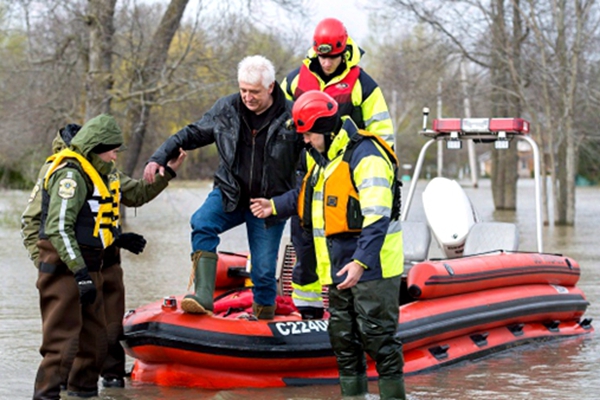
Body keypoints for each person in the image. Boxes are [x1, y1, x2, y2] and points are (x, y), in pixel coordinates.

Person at [250, 91, 406, 399]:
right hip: (337, 267)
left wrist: (361, 261)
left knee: (378, 340)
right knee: (343, 340)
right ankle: (354, 395)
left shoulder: (367, 156)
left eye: (309, 134)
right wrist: (275, 206)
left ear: (327, 129)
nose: (305, 141)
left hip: (372, 268)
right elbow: (308, 196)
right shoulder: (324, 159)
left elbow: (378, 217)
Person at [30, 114, 185, 399]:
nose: (116, 156)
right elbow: (57, 227)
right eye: (113, 150)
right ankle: (48, 394)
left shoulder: (103, 172)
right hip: (66, 269)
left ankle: (86, 391)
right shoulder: (70, 175)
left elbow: (127, 200)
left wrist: (168, 172)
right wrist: (75, 272)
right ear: (98, 147)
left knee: (97, 341)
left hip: (95, 265)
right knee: (62, 345)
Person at [143, 55, 304, 320]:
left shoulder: (292, 115)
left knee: (263, 271)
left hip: (268, 203)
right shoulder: (226, 108)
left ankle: (264, 317)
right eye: (243, 90)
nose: (247, 97)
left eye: (254, 92)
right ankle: (203, 296)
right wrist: (159, 156)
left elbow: (311, 159)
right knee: (202, 221)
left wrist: (287, 201)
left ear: (271, 87)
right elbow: (192, 133)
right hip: (230, 192)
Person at [281, 17, 395, 319]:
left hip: (347, 174)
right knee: (303, 243)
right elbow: (279, 121)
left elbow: (383, 134)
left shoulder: (362, 84)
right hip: (307, 173)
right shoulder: (295, 81)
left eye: (332, 56)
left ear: (343, 51)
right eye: (322, 56)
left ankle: (347, 311)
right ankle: (308, 311)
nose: (327, 62)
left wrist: (375, 174)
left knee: (343, 241)